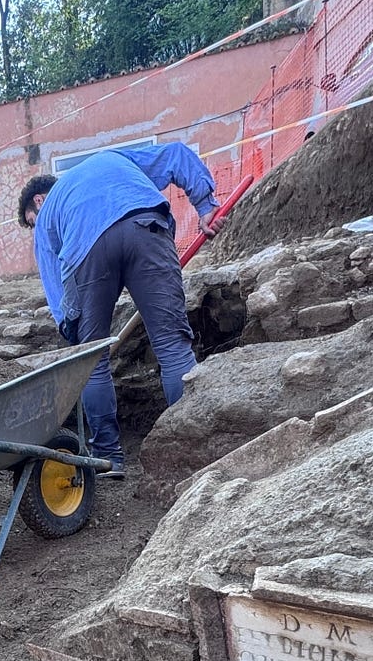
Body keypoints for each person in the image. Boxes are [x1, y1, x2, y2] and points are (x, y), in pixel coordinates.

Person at [18, 144, 227, 479]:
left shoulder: (48, 214)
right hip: (146, 226)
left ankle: (108, 459)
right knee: (173, 348)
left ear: (39, 201)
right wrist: (205, 206)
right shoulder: (112, 158)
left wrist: (71, 329)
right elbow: (175, 155)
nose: (35, 224)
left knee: (94, 362)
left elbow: (54, 283)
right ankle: (193, 451)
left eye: (31, 220)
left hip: (86, 251)